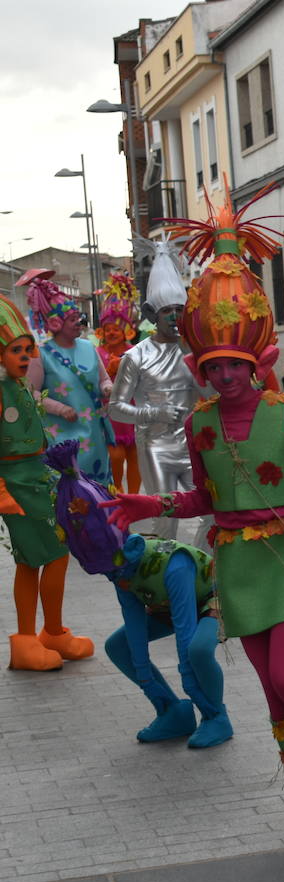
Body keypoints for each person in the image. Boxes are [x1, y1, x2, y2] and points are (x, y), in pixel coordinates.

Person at [103, 188, 284, 837]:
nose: (224, 377)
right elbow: (203, 499)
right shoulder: (199, 427)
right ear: (202, 366)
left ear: (257, 362)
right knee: (273, 692)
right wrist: (150, 503)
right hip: (235, 563)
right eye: (214, 366)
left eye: (235, 366)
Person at [49, 439, 232, 747]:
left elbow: (185, 629)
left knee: (198, 650)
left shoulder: (171, 564)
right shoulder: (120, 570)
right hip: (165, 607)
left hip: (212, 599)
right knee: (118, 646)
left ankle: (215, 715)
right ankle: (172, 711)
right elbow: (134, 622)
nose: (112, 576)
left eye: (112, 570)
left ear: (125, 550)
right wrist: (148, 682)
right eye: (106, 572)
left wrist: (190, 683)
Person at [0, 293, 93, 671]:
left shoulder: (20, 386)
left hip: (40, 479)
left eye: (27, 350)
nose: (25, 357)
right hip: (16, 487)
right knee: (36, 559)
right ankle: (25, 640)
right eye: (15, 351)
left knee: (53, 554)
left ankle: (52, 632)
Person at [108, 239, 204, 542]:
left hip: (194, 446)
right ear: (153, 314)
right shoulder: (135, 356)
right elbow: (115, 407)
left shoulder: (196, 351)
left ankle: (209, 573)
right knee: (166, 521)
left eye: (180, 309)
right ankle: (166, 580)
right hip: (155, 448)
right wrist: (155, 413)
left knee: (213, 513)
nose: (175, 317)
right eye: (168, 311)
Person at [19, 270, 116, 483]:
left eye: (77, 317)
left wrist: (107, 388)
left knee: (100, 489)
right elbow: (30, 393)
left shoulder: (88, 347)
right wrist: (59, 408)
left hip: (94, 434)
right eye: (72, 319)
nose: (78, 323)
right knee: (73, 494)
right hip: (62, 438)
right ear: (55, 323)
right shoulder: (41, 353)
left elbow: (103, 379)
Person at [97, 272, 142, 494]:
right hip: (110, 414)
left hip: (133, 409)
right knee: (116, 455)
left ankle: (134, 497)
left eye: (116, 329)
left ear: (127, 331)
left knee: (135, 455)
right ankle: (117, 493)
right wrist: (108, 370)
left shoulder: (134, 352)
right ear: (101, 332)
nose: (111, 333)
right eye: (108, 330)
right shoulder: (97, 352)